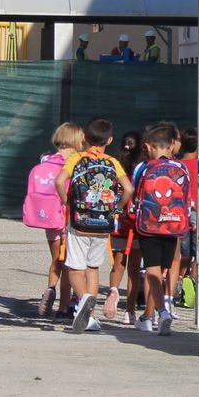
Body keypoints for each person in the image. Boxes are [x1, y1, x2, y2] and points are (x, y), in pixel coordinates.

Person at [55, 118, 133, 333]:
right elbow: (128, 188)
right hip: (103, 223)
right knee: (93, 268)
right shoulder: (112, 162)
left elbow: (59, 181)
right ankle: (88, 318)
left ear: (84, 138)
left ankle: (83, 299)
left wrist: (66, 200)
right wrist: (117, 209)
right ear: (109, 140)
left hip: (79, 222)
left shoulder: (77, 159)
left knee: (74, 267)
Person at [131, 123, 193, 335]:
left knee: (151, 270)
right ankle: (152, 314)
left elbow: (133, 191)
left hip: (149, 224)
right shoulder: (181, 168)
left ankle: (161, 312)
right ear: (172, 145)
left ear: (148, 146)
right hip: (173, 225)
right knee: (162, 272)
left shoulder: (143, 167)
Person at [24, 122, 85, 318]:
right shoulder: (75, 163)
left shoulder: (44, 162)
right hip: (68, 219)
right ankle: (64, 307)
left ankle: (50, 289)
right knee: (71, 263)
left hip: (48, 219)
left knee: (56, 260)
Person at [107, 129, 143, 320]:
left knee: (118, 265)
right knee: (134, 271)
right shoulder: (141, 170)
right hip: (136, 225)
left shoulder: (115, 167)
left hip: (118, 223)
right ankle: (129, 311)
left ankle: (113, 291)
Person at [170, 126, 199, 312]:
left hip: (181, 211)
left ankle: (179, 282)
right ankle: (193, 285)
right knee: (198, 254)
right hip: (198, 211)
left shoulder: (177, 165)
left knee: (183, 253)